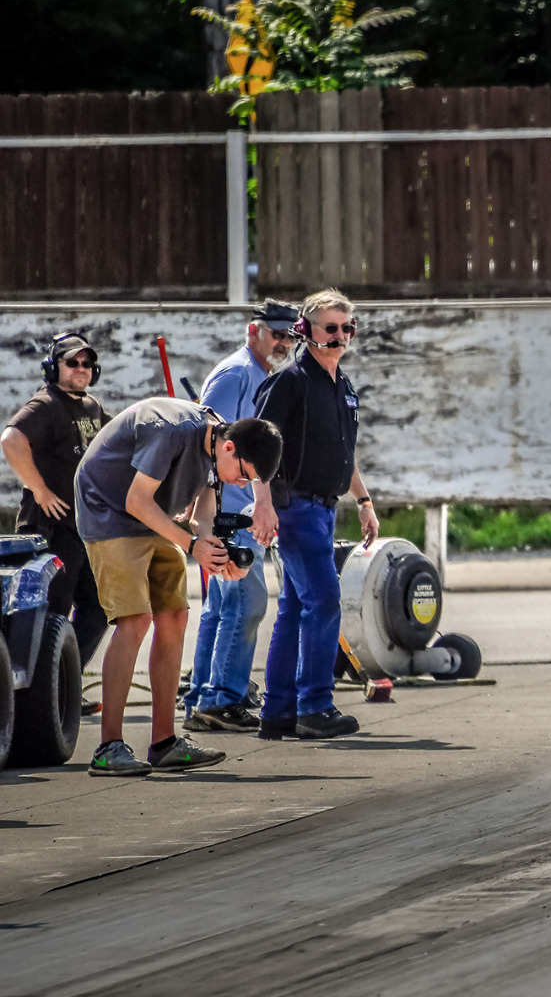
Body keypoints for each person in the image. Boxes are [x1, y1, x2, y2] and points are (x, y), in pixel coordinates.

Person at [75, 398, 282, 776]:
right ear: (230, 448)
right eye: (245, 475)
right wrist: (190, 546)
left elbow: (202, 518)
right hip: (110, 510)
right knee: (134, 619)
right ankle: (108, 749)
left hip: (153, 516)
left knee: (174, 616)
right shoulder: (170, 431)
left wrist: (216, 557)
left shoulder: (219, 440)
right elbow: (136, 500)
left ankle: (164, 743)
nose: (243, 484)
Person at [252, 289, 379, 741]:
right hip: (296, 506)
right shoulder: (290, 382)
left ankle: (279, 712)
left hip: (324, 509)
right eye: (331, 327)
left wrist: (363, 501)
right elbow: (256, 445)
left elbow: (344, 454)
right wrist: (263, 503)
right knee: (324, 600)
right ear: (306, 331)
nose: (340, 336)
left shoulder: (342, 386)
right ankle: (315, 706)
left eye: (347, 328)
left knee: (293, 609)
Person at [183, 300, 300, 733]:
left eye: (290, 336)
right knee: (245, 604)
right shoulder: (236, 374)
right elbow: (205, 439)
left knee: (221, 607)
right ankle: (221, 698)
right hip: (228, 514)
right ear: (255, 331)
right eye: (277, 334)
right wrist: (203, 515)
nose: (284, 342)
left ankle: (205, 695)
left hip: (237, 513)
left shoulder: (263, 375)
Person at [2, 333, 114, 714]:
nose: (80, 369)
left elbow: (118, 440)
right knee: (54, 613)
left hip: (83, 528)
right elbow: (11, 438)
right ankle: (41, 701)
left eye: (86, 363)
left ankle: (63, 686)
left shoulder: (92, 407)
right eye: (72, 362)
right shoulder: (46, 404)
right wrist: (40, 489)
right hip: (48, 529)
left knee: (98, 609)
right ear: (54, 368)